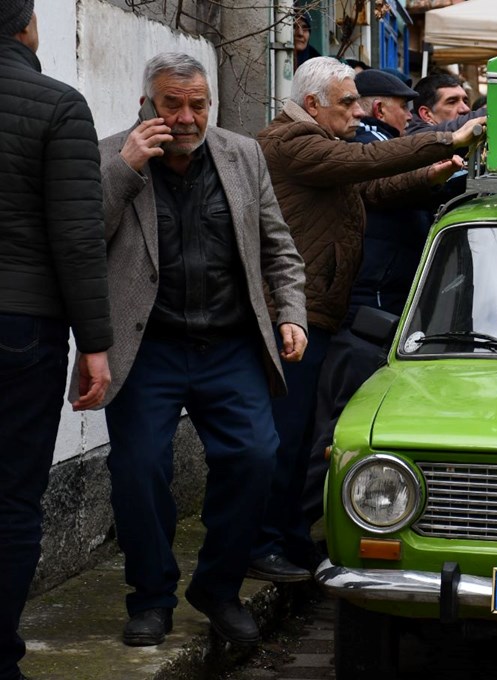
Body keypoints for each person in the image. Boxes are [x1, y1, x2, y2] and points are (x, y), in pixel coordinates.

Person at [99, 52, 308, 647]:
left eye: (199, 104)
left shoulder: (243, 155)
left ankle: (217, 588)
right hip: (148, 348)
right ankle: (151, 597)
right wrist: (126, 169)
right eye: (173, 104)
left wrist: (291, 314)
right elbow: (82, 239)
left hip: (229, 344)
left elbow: (279, 247)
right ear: (148, 105)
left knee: (255, 456)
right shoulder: (112, 153)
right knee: (137, 470)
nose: (187, 117)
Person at [252, 57, 482, 580]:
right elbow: (367, 167)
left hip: (316, 312)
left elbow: (375, 189)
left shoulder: (324, 146)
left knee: (303, 434)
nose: (359, 112)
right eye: (348, 103)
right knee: (283, 438)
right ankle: (260, 542)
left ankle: (287, 535)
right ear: (313, 105)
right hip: (292, 313)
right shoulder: (290, 143)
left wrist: (437, 172)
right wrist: (447, 141)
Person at [299, 68, 469, 528]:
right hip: (366, 313)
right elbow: (390, 169)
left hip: (381, 311)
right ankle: (300, 526)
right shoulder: (361, 147)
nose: (411, 116)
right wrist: (466, 132)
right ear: (381, 109)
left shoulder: (367, 148)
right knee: (342, 429)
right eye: (405, 108)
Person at [0, 4, 112, 677]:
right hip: (21, 326)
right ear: (27, 25)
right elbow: (76, 237)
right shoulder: (58, 105)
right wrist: (94, 345)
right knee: (12, 498)